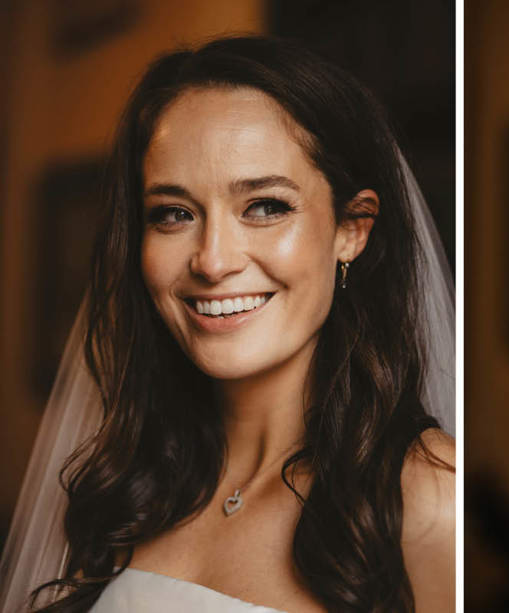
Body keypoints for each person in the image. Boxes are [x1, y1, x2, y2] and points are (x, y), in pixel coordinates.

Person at [0, 36, 455, 613]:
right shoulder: (128, 480)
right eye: (174, 214)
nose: (213, 261)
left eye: (265, 206)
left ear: (351, 229)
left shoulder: (431, 498)